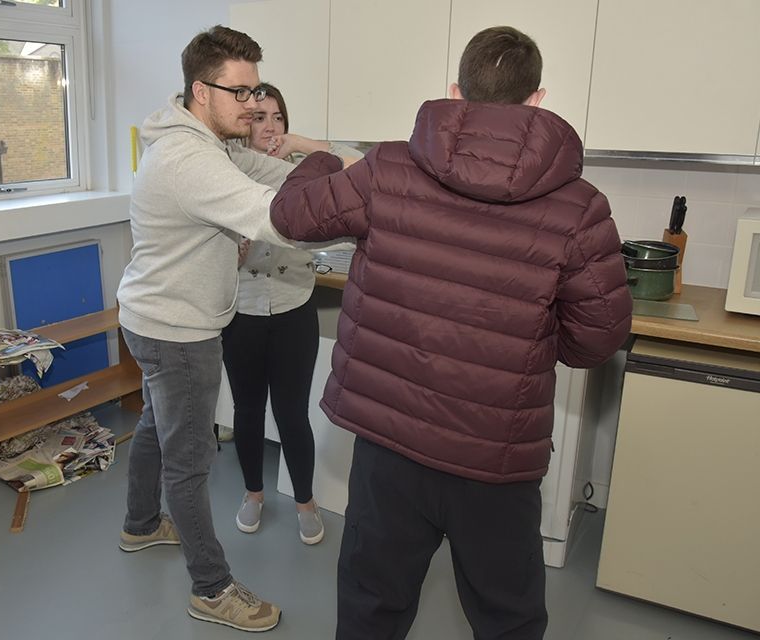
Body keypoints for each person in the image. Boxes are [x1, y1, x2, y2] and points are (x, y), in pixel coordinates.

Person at [270, 26, 633, 640]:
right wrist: (537, 346)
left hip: (390, 445)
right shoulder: (580, 205)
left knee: (370, 608)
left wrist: (321, 159)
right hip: (494, 455)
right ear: (537, 99)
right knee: (507, 618)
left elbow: (291, 215)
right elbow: (599, 336)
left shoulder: (386, 167)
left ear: (456, 91)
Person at [115, 25, 357, 633]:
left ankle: (140, 524)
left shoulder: (203, 137)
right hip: (178, 330)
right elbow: (275, 218)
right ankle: (211, 587)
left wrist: (322, 160)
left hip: (150, 316)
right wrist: (340, 197)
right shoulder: (189, 158)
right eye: (242, 92)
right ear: (202, 89)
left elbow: (267, 172)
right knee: (189, 458)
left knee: (155, 426)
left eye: (256, 92)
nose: (253, 105)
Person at [224, 83, 355, 546]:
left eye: (277, 117)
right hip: (241, 312)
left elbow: (356, 161)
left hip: (294, 307)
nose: (270, 127)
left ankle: (305, 501)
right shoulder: (230, 172)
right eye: (259, 118)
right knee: (247, 410)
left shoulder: (306, 174)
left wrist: (299, 144)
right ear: (244, 125)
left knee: (293, 412)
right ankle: (253, 494)